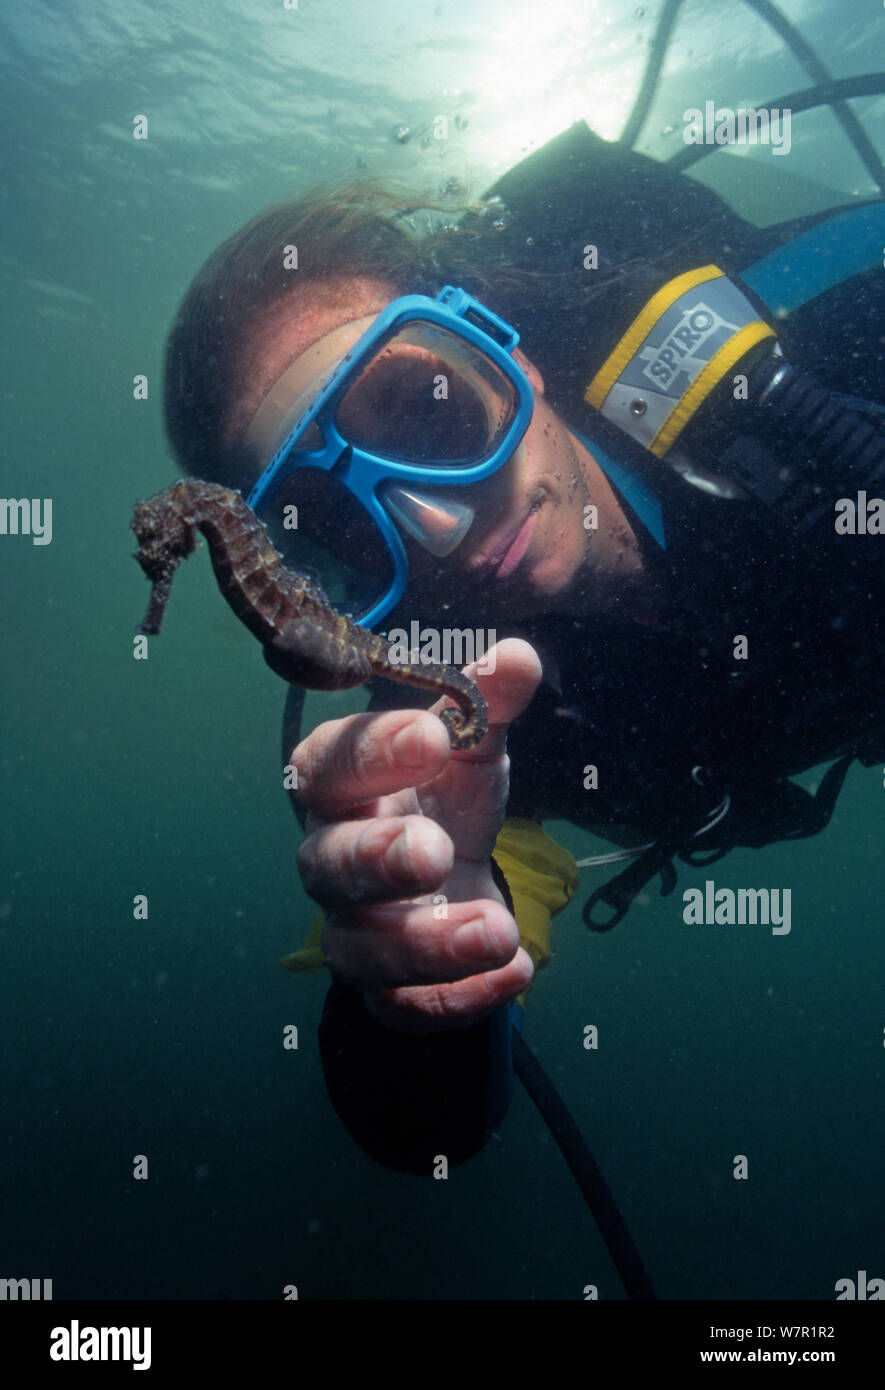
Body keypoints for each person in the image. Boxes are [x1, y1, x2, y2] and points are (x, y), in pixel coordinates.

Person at [162, 121, 885, 1174]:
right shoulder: (457, 730)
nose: (435, 526)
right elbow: (427, 1129)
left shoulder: (836, 333)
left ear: (509, 347)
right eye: (337, 518)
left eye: (429, 406)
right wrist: (416, 980)